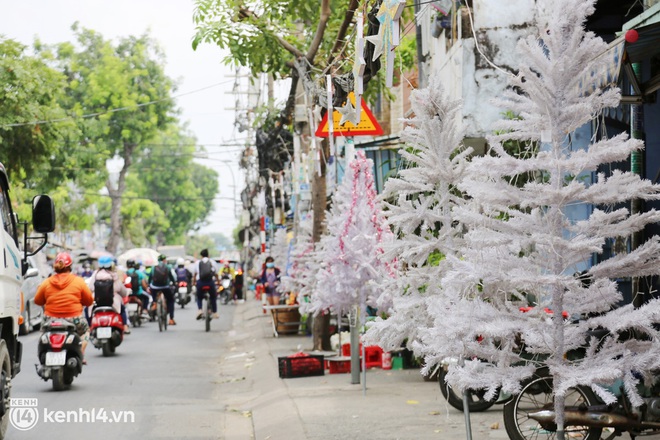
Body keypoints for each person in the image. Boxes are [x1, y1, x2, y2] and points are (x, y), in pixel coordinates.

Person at [34, 252, 94, 364]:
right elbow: (89, 300)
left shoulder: (47, 282)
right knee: (85, 331)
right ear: (70, 267)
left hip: (50, 319)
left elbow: (38, 301)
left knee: (43, 334)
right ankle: (80, 352)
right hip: (74, 318)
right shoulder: (78, 281)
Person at [88, 255, 130, 334]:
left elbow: (90, 287)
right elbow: (120, 289)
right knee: (123, 309)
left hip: (96, 301)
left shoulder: (95, 274)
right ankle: (125, 326)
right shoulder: (114, 275)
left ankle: (89, 327)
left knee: (87, 309)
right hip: (113, 302)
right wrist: (124, 293)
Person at [149, 254, 177, 325]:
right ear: (165, 260)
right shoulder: (167, 267)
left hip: (154, 287)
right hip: (165, 287)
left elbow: (150, 277)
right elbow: (171, 277)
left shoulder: (153, 267)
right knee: (171, 300)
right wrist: (174, 283)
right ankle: (171, 319)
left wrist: (149, 285)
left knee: (153, 292)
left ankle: (155, 303)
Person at [191, 249, 219, 320]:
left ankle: (200, 310)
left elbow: (195, 275)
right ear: (208, 255)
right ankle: (215, 312)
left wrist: (194, 283)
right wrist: (218, 282)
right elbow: (216, 274)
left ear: (201, 256)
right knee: (213, 297)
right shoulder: (212, 262)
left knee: (199, 297)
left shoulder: (197, 262)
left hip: (200, 283)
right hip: (210, 282)